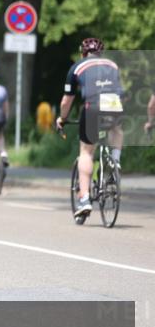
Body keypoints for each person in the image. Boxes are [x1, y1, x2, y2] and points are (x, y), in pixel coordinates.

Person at [56, 38, 124, 218]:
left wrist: (62, 119)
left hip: (92, 105)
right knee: (116, 129)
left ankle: (84, 198)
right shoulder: (112, 65)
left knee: (86, 152)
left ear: (82, 53)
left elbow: (66, 100)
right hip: (113, 103)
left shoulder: (77, 67)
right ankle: (115, 160)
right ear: (101, 52)